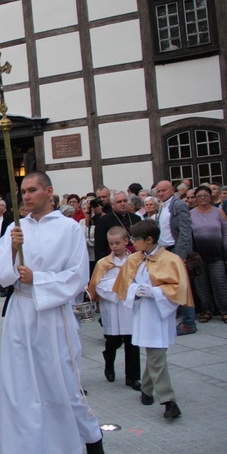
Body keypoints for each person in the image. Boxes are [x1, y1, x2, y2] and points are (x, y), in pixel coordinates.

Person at [0, 171, 103, 454]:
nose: (26, 196)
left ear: (49, 192)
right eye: (23, 191)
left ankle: (90, 440)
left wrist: (38, 279)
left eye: (32, 190)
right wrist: (14, 250)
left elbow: (77, 276)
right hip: (20, 311)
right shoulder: (15, 229)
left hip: (53, 314)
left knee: (62, 385)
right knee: (20, 387)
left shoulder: (68, 229)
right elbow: (1, 275)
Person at [112, 220, 193, 419]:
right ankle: (167, 400)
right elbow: (124, 284)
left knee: (156, 354)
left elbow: (178, 288)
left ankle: (150, 393)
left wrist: (154, 291)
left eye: (136, 240)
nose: (133, 243)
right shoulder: (134, 259)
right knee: (156, 354)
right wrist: (136, 291)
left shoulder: (171, 259)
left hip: (160, 312)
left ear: (149, 239)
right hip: (144, 314)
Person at [88, 227, 141, 391]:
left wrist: (133, 290)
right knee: (113, 341)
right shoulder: (103, 263)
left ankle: (133, 377)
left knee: (132, 343)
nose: (114, 246)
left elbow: (141, 279)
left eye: (118, 243)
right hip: (111, 306)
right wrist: (118, 289)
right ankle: (109, 362)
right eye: (111, 244)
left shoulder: (135, 261)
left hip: (129, 306)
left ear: (126, 241)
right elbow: (97, 285)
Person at [155, 180, 195, 335]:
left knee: (183, 286)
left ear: (172, 190)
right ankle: (177, 318)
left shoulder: (178, 205)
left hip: (176, 250)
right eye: (158, 191)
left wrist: (181, 254)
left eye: (164, 190)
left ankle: (189, 322)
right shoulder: (163, 206)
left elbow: (185, 231)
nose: (161, 193)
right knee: (172, 285)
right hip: (166, 250)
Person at [190, 185, 227, 324]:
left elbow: (225, 233)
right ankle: (206, 310)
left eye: (206, 195)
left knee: (220, 282)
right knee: (201, 284)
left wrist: (226, 253)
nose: (203, 198)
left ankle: (224, 310)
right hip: (198, 256)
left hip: (217, 254)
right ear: (196, 198)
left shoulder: (219, 212)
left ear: (210, 197)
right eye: (199, 196)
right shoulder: (191, 213)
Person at [95, 191, 142, 260]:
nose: (123, 204)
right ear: (112, 205)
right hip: (115, 260)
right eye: (119, 202)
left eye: (125, 201)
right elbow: (100, 248)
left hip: (136, 258)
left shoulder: (136, 218)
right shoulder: (103, 221)